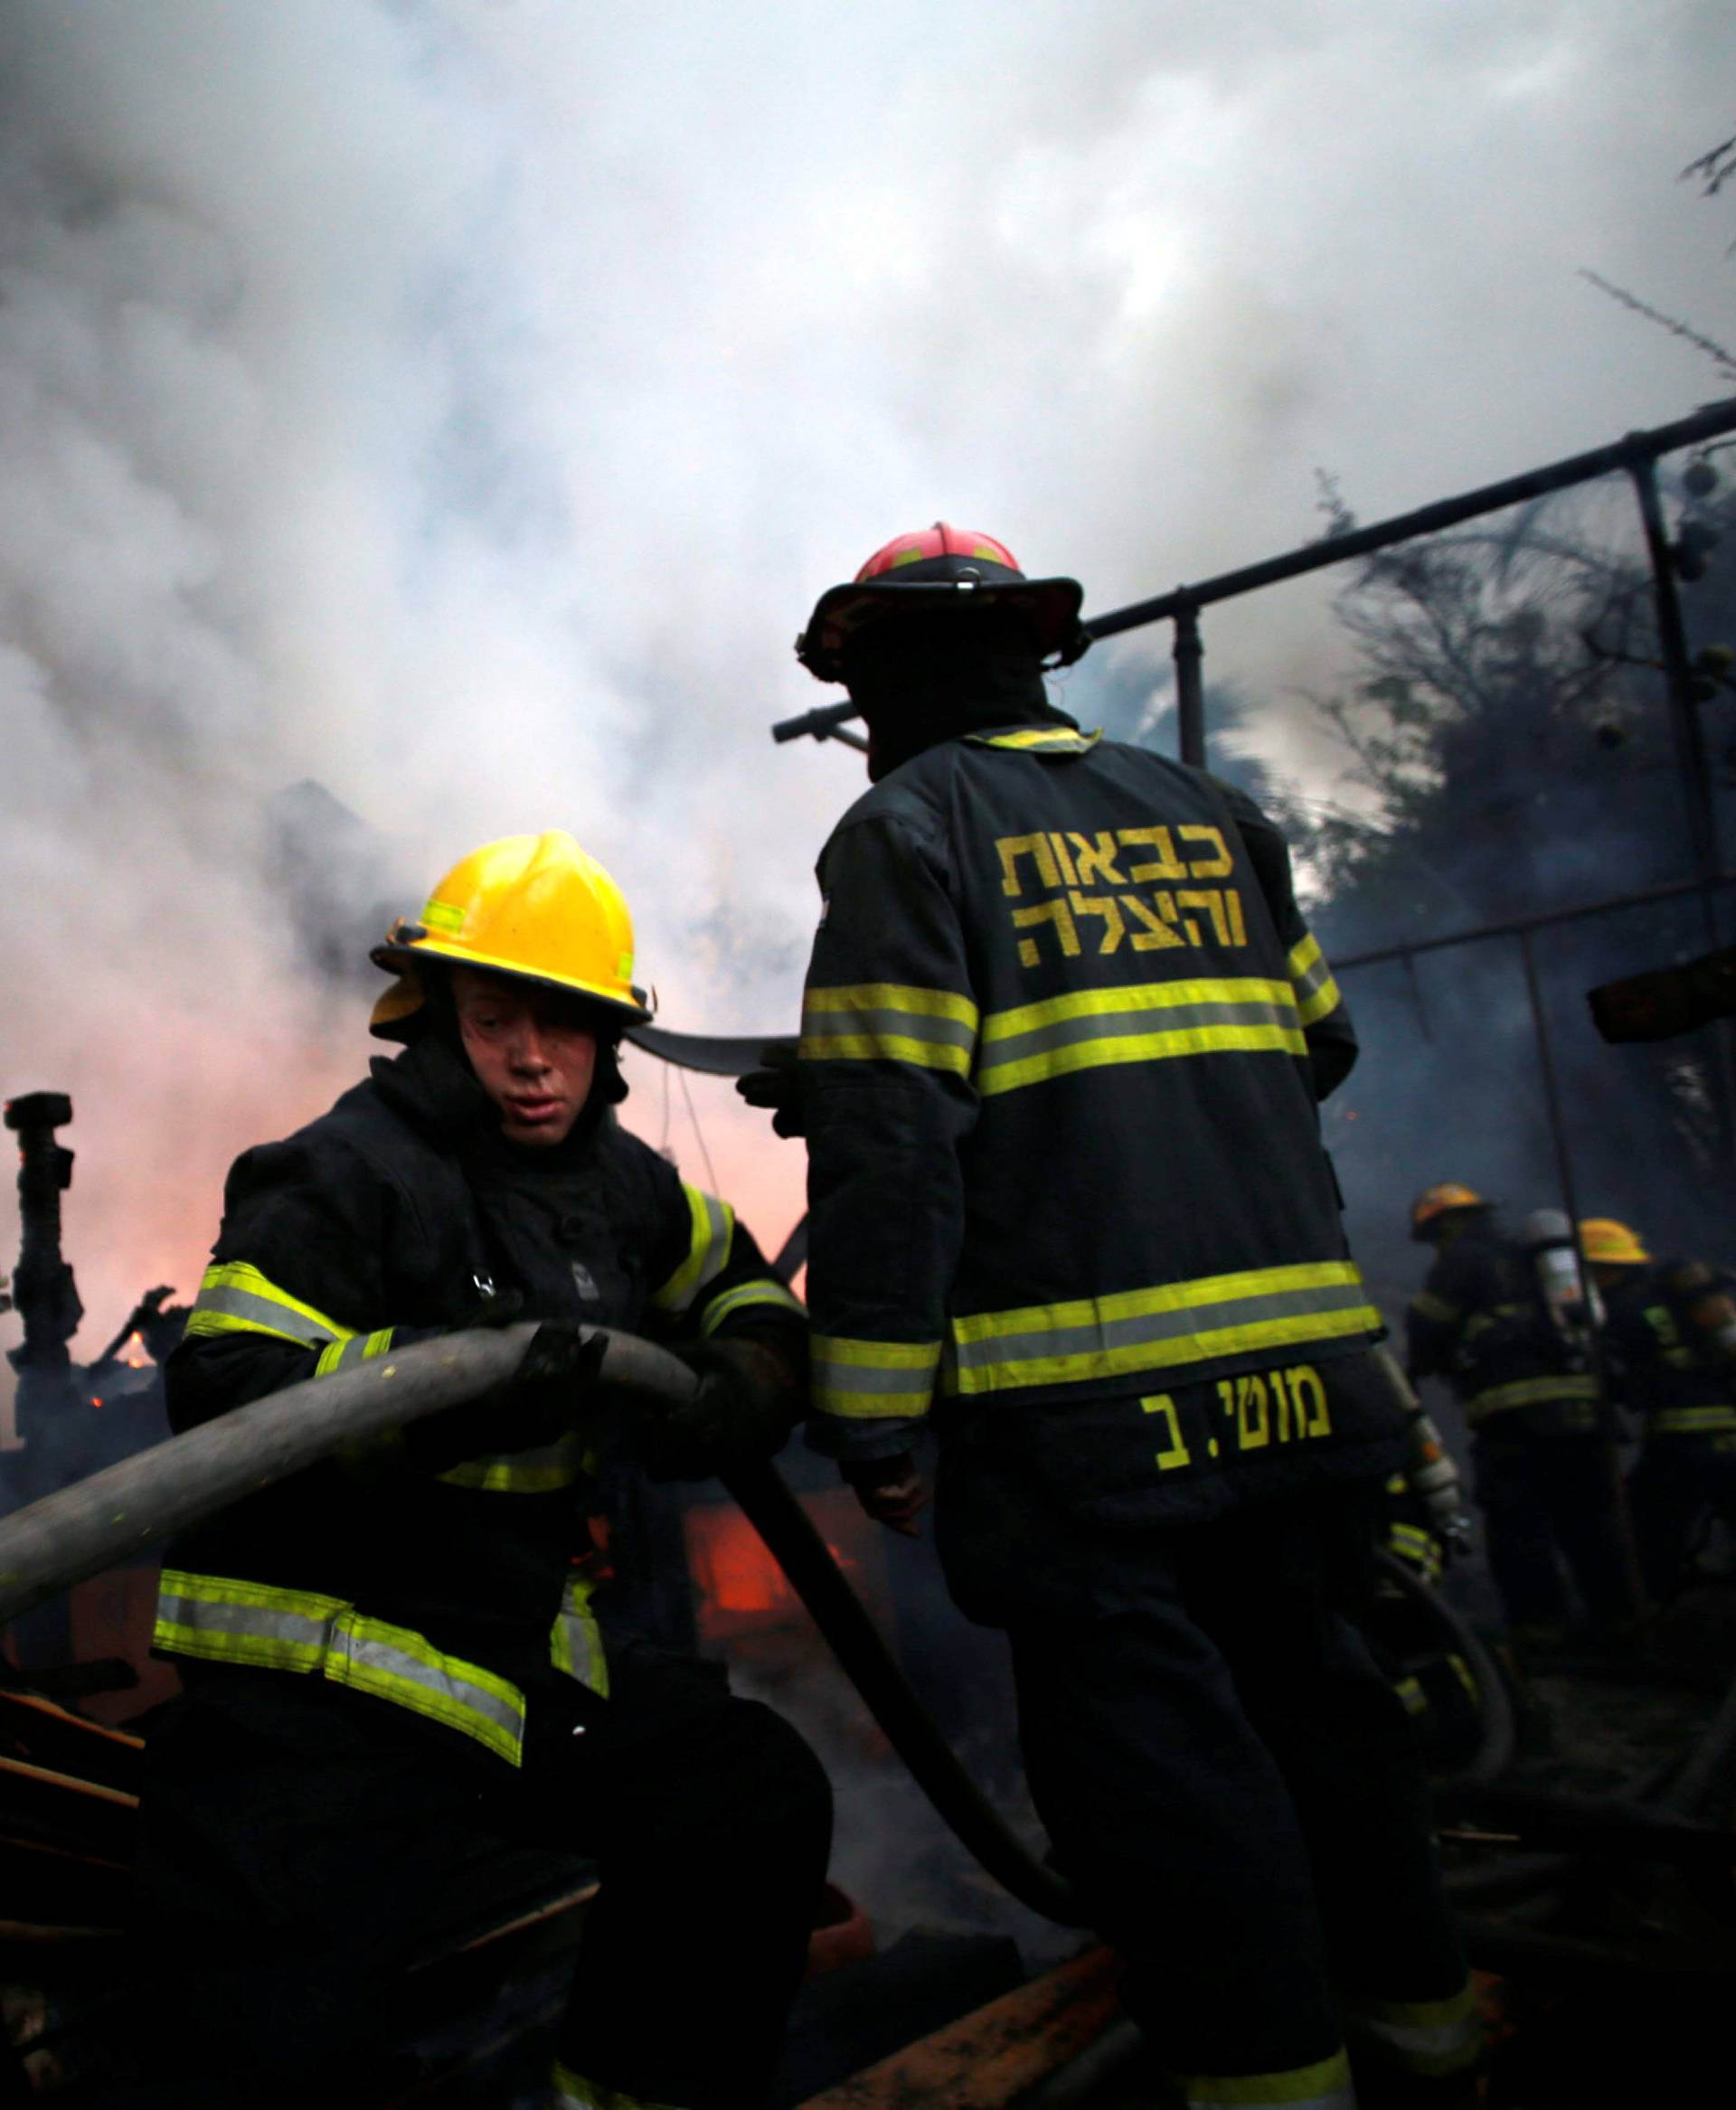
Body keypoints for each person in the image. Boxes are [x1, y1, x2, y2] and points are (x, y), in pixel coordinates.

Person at [756, 523, 1479, 2108]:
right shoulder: (1213, 812)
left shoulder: (909, 829)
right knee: (1337, 1745)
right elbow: (1321, 1045)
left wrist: (872, 1411)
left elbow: (893, 1143)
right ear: (1034, 655)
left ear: (873, 682)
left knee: (1177, 1804)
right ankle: (1430, 2057)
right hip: (1308, 1397)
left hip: (1092, 1439)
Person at [130, 831, 830, 2110]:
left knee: (748, 1796)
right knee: (270, 2039)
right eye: (495, 1016)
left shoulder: (623, 1186)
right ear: (438, 1014)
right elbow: (222, 1381)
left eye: (561, 1025)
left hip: (503, 1668)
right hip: (323, 1687)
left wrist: (752, 1373)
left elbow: (733, 1284)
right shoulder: (343, 1171)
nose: (527, 1057)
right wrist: (443, 1379)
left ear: (610, 1037)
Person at [1405, 1186, 1637, 1649]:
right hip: (1585, 1411)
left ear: (1445, 1225)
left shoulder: (1464, 1259)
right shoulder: (1535, 1258)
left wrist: (1417, 1368)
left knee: (1519, 1525)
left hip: (1514, 1417)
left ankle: (1540, 1628)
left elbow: (1427, 1325)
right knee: (1591, 1520)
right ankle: (1621, 1621)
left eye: (1435, 1234)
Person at [1584, 1216, 1736, 1605]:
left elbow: (1618, 1384)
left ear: (1599, 1270)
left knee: (1645, 1533)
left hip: (1680, 1443)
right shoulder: (1680, 1300)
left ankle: (1652, 1616)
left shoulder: (1617, 1309)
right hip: (1730, 1435)